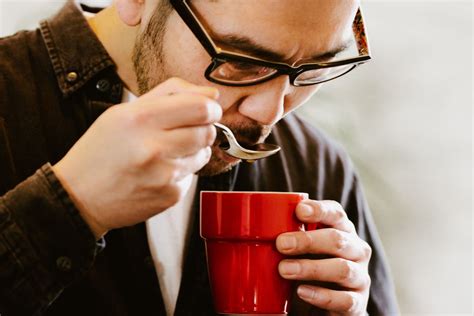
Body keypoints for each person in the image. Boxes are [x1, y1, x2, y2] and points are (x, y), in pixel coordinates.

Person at [0, 0, 399, 315]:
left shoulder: (317, 164)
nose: (270, 111)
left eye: (315, 67)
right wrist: (71, 204)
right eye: (240, 61)